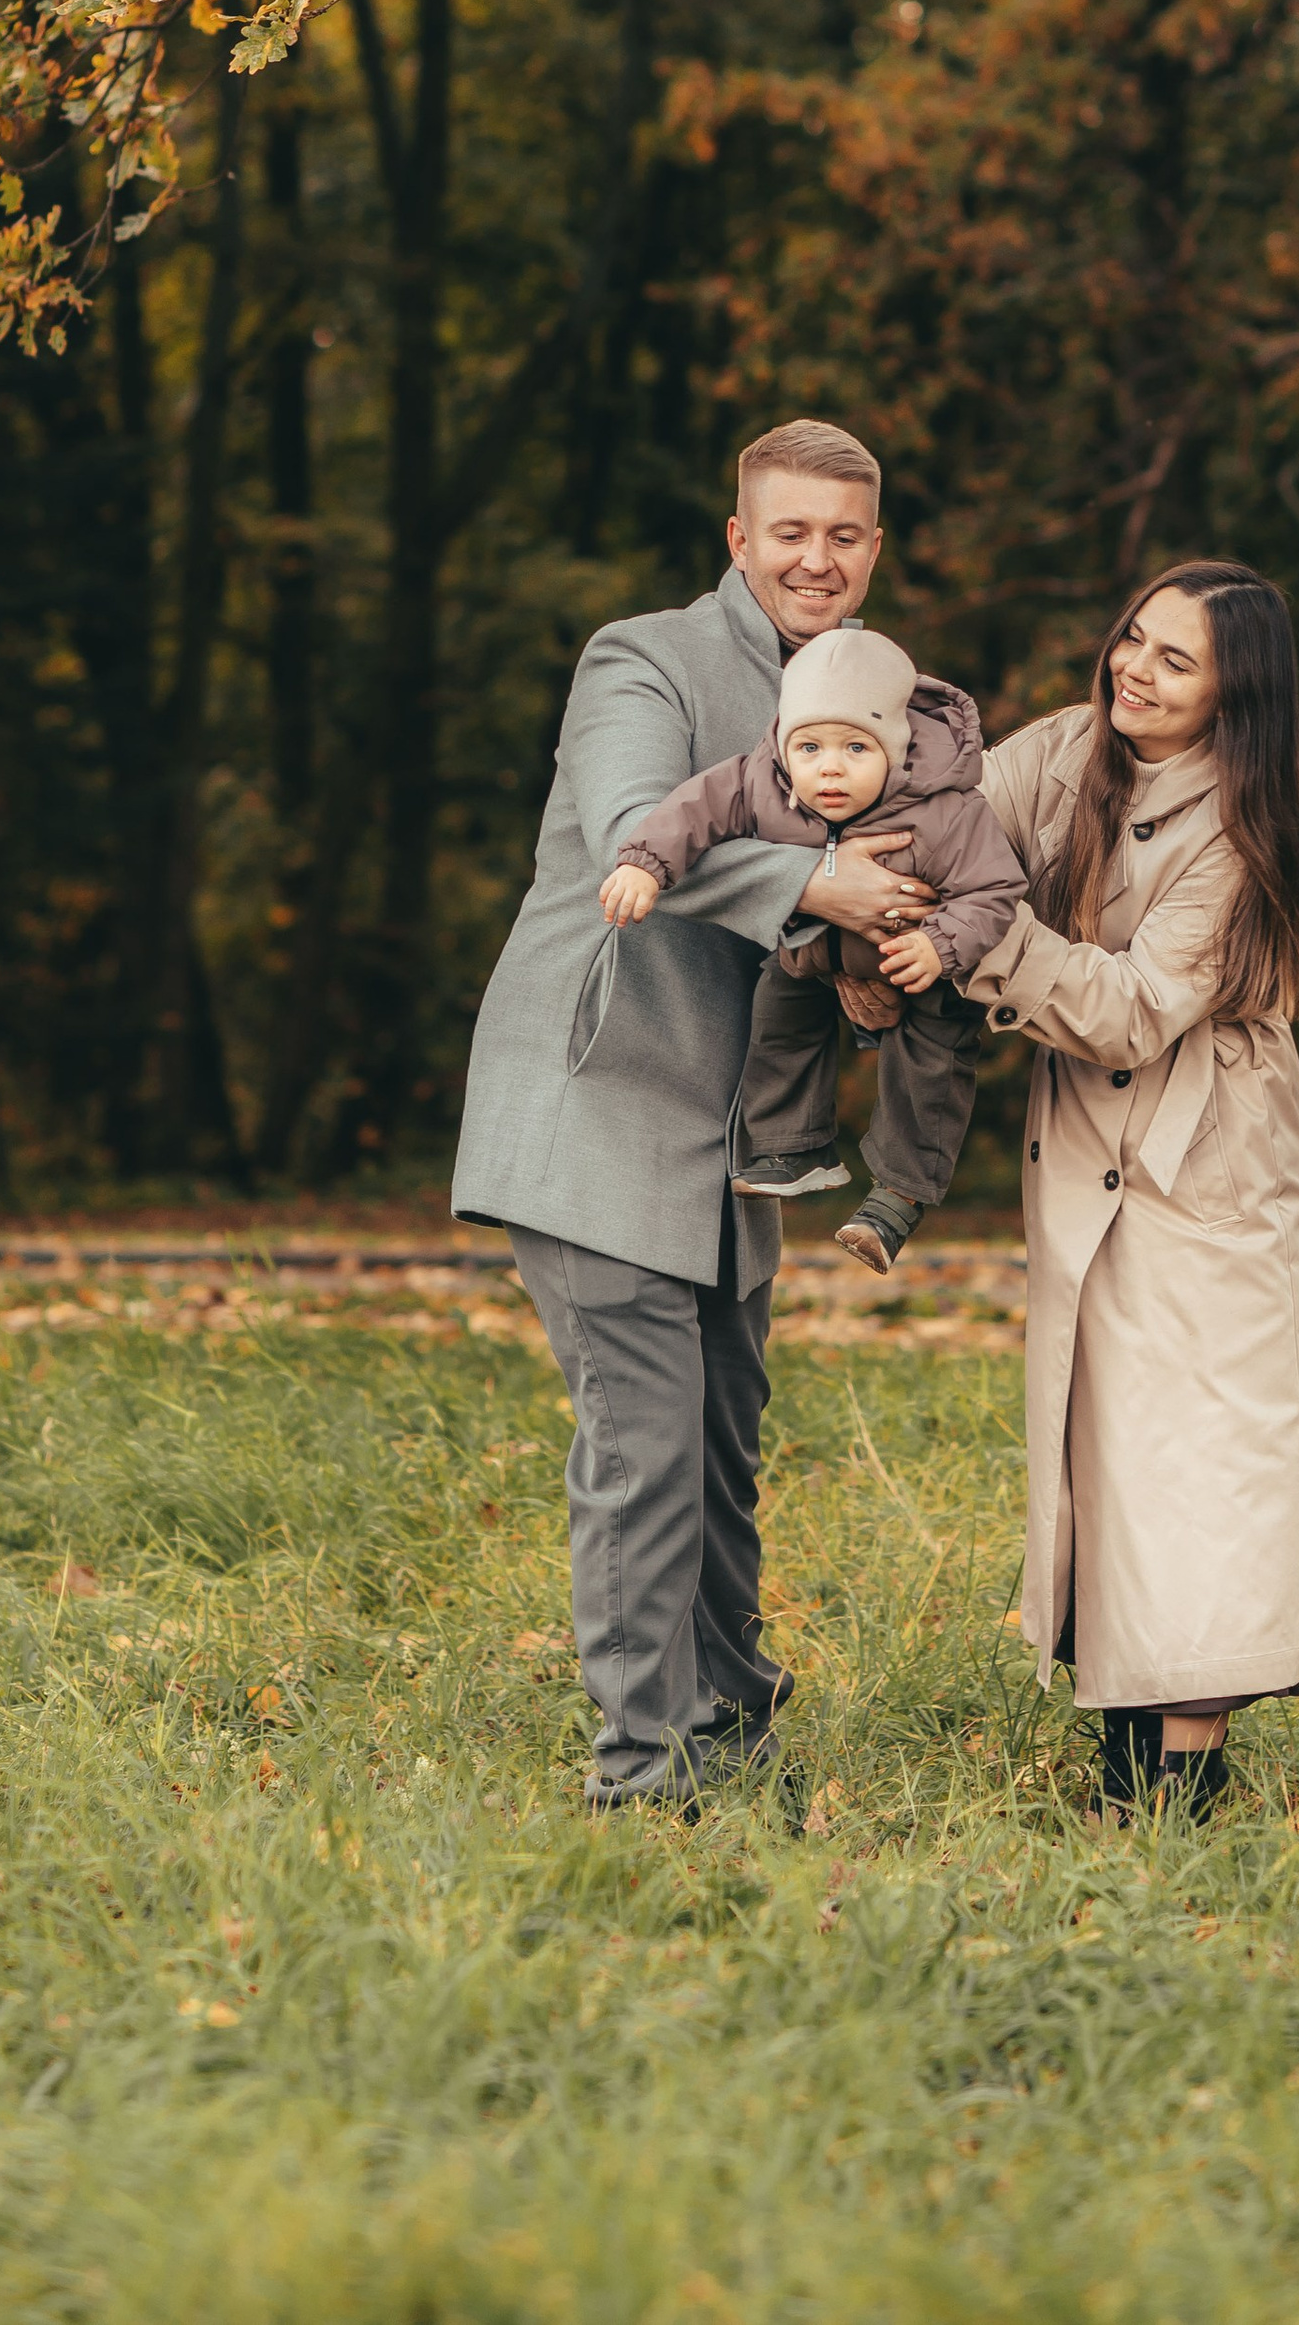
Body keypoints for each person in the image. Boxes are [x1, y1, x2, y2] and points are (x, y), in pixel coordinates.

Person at [451, 420, 938, 1812]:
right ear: (739, 538)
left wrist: (878, 963)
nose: (816, 559)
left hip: (737, 1138)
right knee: (649, 1448)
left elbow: (914, 862)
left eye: (843, 535)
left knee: (722, 1451)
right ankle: (643, 1774)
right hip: (599, 1101)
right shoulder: (642, 659)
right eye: (789, 531)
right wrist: (820, 889)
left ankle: (731, 1735)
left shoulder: (877, 695)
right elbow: (633, 825)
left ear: (875, 549)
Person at [965, 561, 1299, 1819]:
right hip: (1092, 1140)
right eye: (1134, 637)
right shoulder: (1068, 749)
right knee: (1110, 1442)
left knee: (1205, 1452)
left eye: (1177, 661)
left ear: (1237, 694)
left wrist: (980, 932)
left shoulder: (1238, 830)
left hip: (1206, 1157)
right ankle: (1129, 1748)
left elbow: (1127, 1012)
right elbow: (949, 815)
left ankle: (1185, 1773)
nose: (1134, 667)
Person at [599, 624, 1028, 1273]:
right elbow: (693, 810)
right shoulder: (763, 782)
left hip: (920, 961)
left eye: (856, 747)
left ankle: (899, 1195)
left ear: (895, 748)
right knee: (778, 1009)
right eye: (809, 746)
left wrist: (939, 944)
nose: (830, 767)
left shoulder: (945, 810)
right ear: (783, 747)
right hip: (817, 950)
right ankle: (794, 1147)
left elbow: (996, 889)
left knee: (930, 1061)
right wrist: (645, 863)